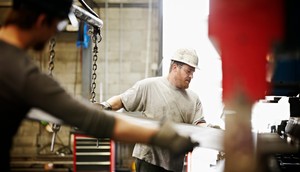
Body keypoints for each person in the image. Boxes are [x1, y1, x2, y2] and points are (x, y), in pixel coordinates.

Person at [0, 0, 198, 171]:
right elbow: (94, 120)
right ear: (42, 20)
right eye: (57, 27)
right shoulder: (21, 72)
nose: (54, 33)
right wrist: (159, 136)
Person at [99, 48, 210, 172]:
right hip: (148, 159)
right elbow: (123, 100)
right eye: (188, 71)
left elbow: (199, 124)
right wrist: (105, 105)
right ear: (175, 67)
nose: (191, 76)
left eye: (193, 72)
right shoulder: (149, 86)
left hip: (174, 164)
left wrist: (211, 130)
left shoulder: (193, 99)